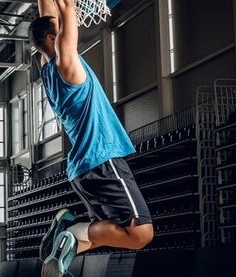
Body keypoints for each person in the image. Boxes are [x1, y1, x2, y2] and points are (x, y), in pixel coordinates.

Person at [27, 0, 154, 276]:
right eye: (59, 31)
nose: (64, 31)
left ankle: (64, 247)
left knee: (114, 232)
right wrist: (67, 9)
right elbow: (67, 10)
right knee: (140, 234)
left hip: (83, 170)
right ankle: (70, 231)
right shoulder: (67, 64)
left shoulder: (46, 67)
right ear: (53, 39)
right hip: (102, 160)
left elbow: (48, 14)